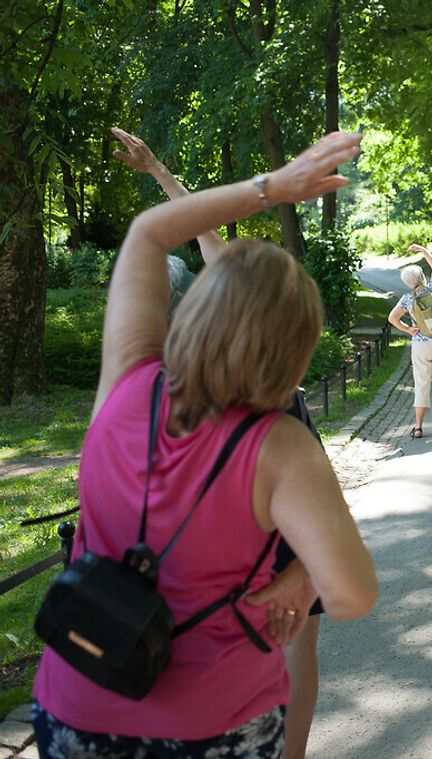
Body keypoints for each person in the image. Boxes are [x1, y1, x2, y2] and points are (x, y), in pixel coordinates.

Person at [33, 131, 378, 757]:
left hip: (77, 708)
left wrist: (275, 185)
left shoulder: (124, 383)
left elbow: (147, 234)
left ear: (193, 312)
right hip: (216, 725)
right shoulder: (279, 447)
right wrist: (298, 582)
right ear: (295, 348)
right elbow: (352, 592)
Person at [109, 126, 332, 758]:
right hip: (284, 496)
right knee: (295, 642)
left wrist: (163, 172)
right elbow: (352, 587)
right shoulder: (280, 403)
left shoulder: (138, 392)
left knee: (229, 633)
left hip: (218, 511)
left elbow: (169, 234)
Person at [388, 244, 432, 439]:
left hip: (420, 344)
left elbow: (392, 318)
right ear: (422, 278)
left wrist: (409, 329)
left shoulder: (406, 299)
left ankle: (418, 427)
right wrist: (422, 251)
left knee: (421, 384)